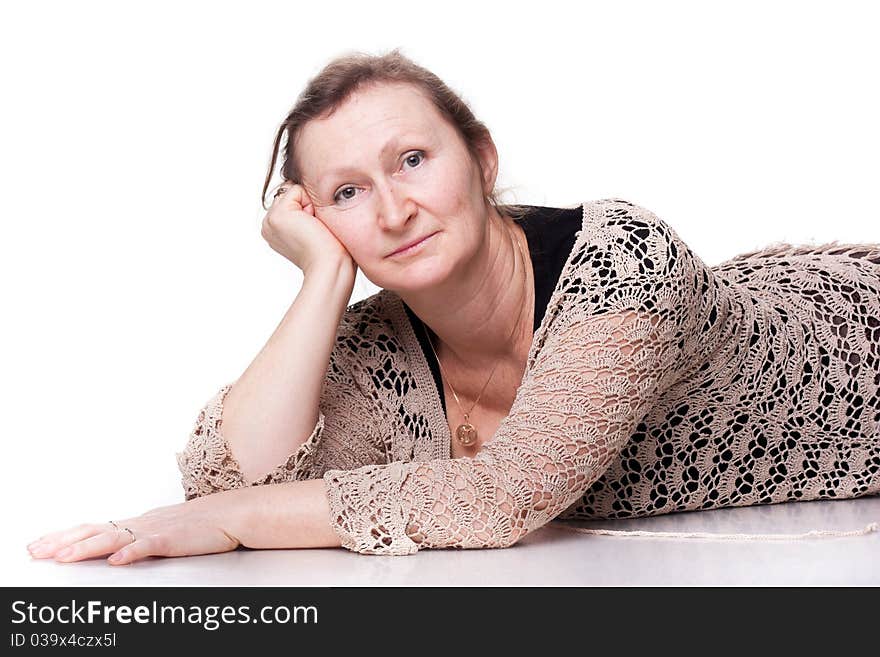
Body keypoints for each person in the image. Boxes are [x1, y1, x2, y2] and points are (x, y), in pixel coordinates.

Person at [27, 49, 880, 565]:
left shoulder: (622, 262)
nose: (393, 211)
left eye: (413, 160)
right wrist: (324, 278)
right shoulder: (382, 346)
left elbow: (499, 498)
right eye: (349, 191)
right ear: (316, 217)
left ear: (480, 157)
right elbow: (225, 480)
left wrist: (226, 523)